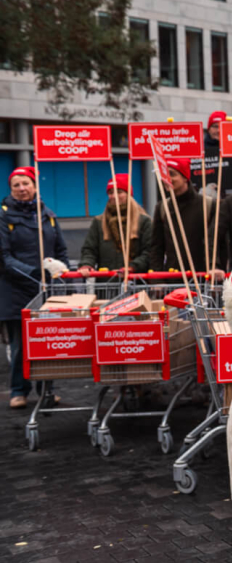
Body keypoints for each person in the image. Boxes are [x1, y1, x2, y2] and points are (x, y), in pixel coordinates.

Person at [1, 167, 70, 408]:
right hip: (15, 289)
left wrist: (62, 270)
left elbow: (60, 249)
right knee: (20, 344)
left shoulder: (47, 215)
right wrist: (34, 273)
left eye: (25, 184)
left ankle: (47, 390)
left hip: (46, 289)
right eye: (16, 185)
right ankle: (19, 391)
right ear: (11, 190)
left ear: (34, 186)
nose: (21, 189)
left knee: (47, 341)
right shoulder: (3, 216)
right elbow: (5, 257)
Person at [149, 159, 222, 279]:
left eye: (171, 174)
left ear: (185, 178)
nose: (166, 179)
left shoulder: (208, 205)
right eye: (164, 174)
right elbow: (156, 247)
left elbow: (216, 243)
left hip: (203, 279)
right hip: (172, 279)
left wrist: (215, 268)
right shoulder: (163, 207)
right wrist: (157, 279)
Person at [78, 174, 153, 276]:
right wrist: (86, 264)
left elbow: (149, 251)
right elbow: (89, 249)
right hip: (107, 283)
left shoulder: (144, 221)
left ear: (128, 194)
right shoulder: (98, 222)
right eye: (110, 192)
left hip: (136, 281)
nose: (114, 196)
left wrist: (133, 266)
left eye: (119, 192)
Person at [193, 110, 232, 197]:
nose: (218, 130)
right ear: (208, 129)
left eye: (221, 126)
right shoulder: (200, 149)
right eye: (215, 126)